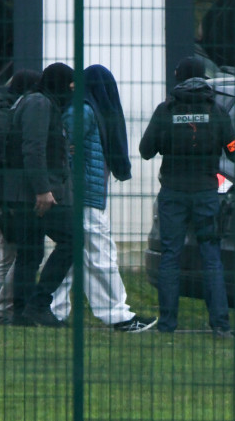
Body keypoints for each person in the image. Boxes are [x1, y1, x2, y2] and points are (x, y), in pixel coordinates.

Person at [50, 65, 157, 332]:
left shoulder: (84, 110)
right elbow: (64, 151)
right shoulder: (84, 111)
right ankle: (118, 315)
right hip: (84, 196)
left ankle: (51, 310)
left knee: (73, 257)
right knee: (100, 254)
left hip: (82, 194)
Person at [139, 56, 235, 337]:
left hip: (173, 191)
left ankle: (168, 325)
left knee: (170, 255)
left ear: (179, 78)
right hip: (207, 192)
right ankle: (220, 325)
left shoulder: (166, 110)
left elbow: (146, 149)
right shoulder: (217, 111)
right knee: (211, 257)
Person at [1, 62, 76, 327]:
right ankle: (39, 303)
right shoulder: (40, 104)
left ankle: (22, 313)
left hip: (25, 192)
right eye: (70, 86)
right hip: (37, 194)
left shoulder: (35, 101)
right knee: (73, 239)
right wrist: (43, 189)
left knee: (30, 252)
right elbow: (33, 148)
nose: (71, 92)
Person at [0, 69, 41, 324]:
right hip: (6, 192)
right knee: (20, 253)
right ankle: (2, 308)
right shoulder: (14, 111)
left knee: (6, 254)